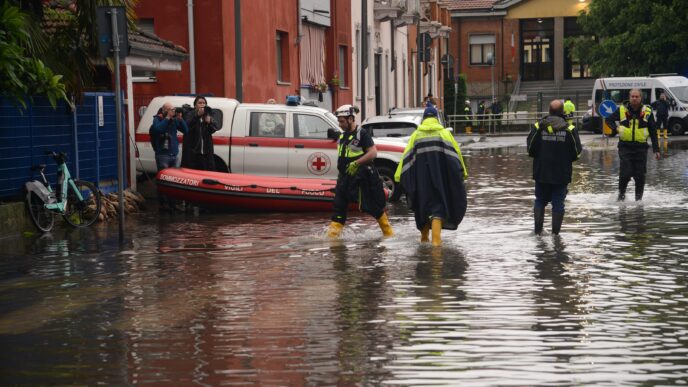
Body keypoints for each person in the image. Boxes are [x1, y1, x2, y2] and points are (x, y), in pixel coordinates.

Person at [394, 102, 468, 246]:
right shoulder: (444, 134)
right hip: (441, 179)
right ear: (436, 118)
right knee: (438, 210)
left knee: (422, 208)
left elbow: (406, 159)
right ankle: (436, 245)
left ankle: (424, 240)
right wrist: (463, 173)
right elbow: (456, 157)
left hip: (421, 181)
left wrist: (399, 177)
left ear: (423, 119)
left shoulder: (416, 136)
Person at [326, 104, 394, 238]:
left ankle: (389, 234)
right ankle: (333, 241)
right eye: (339, 121)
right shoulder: (343, 136)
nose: (340, 124)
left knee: (373, 207)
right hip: (344, 179)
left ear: (351, 119)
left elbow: (373, 153)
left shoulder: (362, 134)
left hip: (362, 177)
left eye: (342, 121)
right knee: (338, 208)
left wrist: (356, 163)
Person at [527, 99, 583, 235]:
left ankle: (537, 232)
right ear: (562, 112)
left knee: (540, 201)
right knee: (558, 203)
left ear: (549, 111)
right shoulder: (569, 130)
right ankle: (555, 235)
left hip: (542, 172)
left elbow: (530, 149)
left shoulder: (538, 127)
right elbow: (577, 151)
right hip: (561, 173)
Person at [605, 88, 661, 201]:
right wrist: (616, 129)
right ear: (629, 98)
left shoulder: (647, 112)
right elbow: (608, 120)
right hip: (625, 147)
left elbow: (653, 131)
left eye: (637, 96)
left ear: (641, 98)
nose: (634, 98)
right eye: (632, 96)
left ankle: (638, 200)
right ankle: (621, 196)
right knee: (625, 173)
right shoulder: (621, 110)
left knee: (640, 176)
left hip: (641, 148)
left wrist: (656, 149)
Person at [151, 102, 189, 210]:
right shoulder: (157, 119)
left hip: (174, 154)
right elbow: (158, 129)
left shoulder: (174, 120)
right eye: (170, 109)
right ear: (164, 110)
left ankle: (173, 204)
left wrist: (180, 119)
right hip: (163, 155)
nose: (172, 111)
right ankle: (163, 204)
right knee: (164, 180)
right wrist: (167, 118)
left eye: (173, 109)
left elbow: (186, 131)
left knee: (174, 181)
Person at [181, 96, 219, 171]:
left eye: (204, 103)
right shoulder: (190, 114)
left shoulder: (208, 114)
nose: (202, 104)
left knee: (206, 173)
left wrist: (209, 122)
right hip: (193, 153)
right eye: (200, 103)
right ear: (195, 105)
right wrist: (197, 116)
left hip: (205, 153)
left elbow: (214, 129)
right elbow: (187, 127)